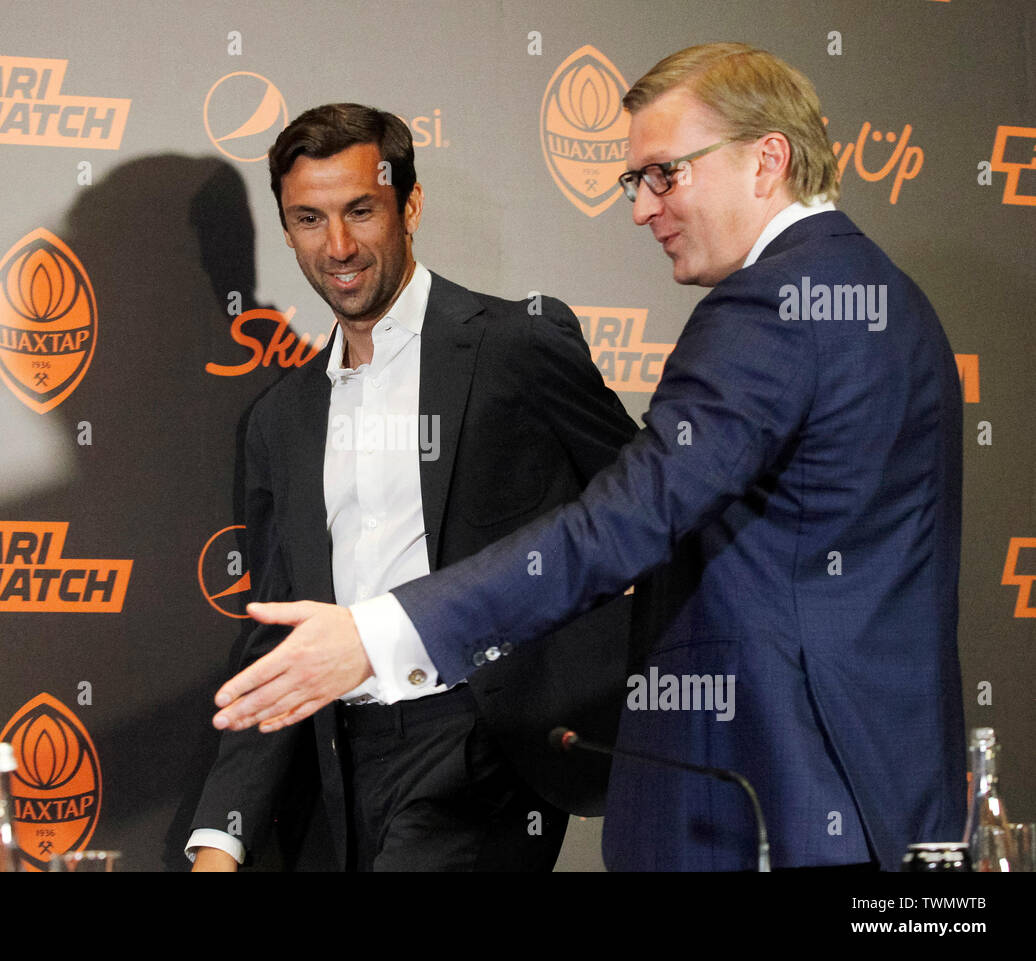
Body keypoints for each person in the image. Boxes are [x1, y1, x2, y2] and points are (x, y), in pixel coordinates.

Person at [211, 46, 967, 871]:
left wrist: (383, 631)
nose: (643, 208)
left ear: (767, 159)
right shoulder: (886, 295)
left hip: (774, 787)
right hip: (880, 785)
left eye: (664, 174)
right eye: (634, 182)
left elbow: (622, 520)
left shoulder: (768, 309)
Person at [188, 103, 637, 871]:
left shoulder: (516, 345)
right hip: (339, 766)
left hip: (478, 748)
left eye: (360, 210)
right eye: (308, 218)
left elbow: (647, 507)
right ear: (287, 229)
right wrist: (221, 839)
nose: (338, 246)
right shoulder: (280, 420)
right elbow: (281, 638)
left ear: (411, 204)